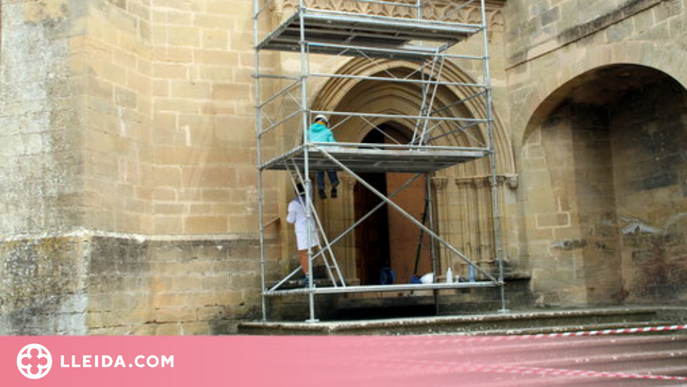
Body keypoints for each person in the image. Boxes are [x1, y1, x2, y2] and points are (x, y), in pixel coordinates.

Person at [286, 183, 319, 287]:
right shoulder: (309, 200)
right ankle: (309, 274)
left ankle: (309, 278)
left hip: (302, 231)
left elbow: (290, 220)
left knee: (303, 255)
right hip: (312, 228)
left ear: (296, 192)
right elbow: (311, 188)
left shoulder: (293, 204)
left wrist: (288, 217)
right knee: (308, 253)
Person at [307, 114, 340, 199]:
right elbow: (332, 144)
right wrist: (340, 150)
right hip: (325, 154)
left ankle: (321, 189)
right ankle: (334, 185)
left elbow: (306, 143)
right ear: (325, 122)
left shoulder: (308, 131)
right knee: (331, 169)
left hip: (315, 155)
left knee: (319, 171)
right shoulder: (327, 131)